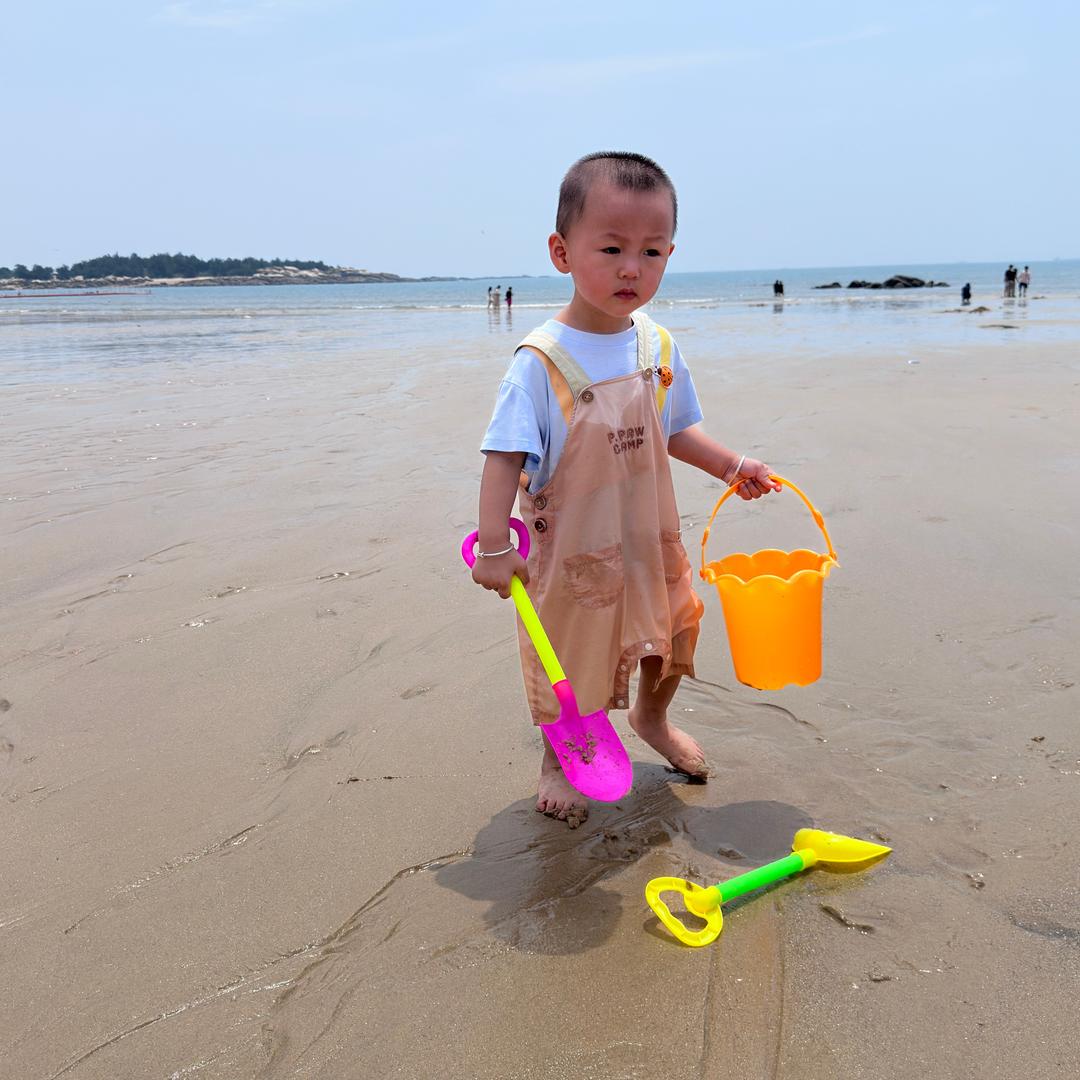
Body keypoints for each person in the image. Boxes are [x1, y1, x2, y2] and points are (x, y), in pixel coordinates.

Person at [472, 151, 780, 827]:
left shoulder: (657, 346)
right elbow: (502, 456)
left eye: (650, 251)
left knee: (675, 628)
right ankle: (559, 760)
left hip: (649, 538)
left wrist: (732, 465)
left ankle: (651, 717)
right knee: (573, 659)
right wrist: (494, 544)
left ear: (670, 252)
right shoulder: (540, 362)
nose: (631, 269)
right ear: (562, 251)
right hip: (578, 551)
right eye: (610, 248)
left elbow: (677, 430)